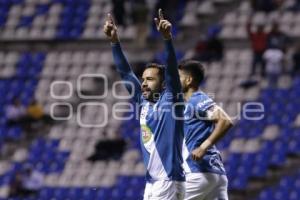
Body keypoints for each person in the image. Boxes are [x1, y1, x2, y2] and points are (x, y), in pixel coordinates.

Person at [103, 9, 185, 199]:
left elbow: (172, 71)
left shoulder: (172, 100)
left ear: (163, 83)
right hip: (152, 182)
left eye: (150, 79)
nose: (145, 83)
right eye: (143, 79)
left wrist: (167, 40)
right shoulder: (142, 102)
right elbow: (125, 72)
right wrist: (114, 42)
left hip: (169, 181)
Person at [178, 60, 233, 200]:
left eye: (178, 77)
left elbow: (225, 120)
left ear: (189, 80)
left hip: (199, 172)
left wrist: (203, 147)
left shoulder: (197, 99)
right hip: (216, 174)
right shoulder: (188, 104)